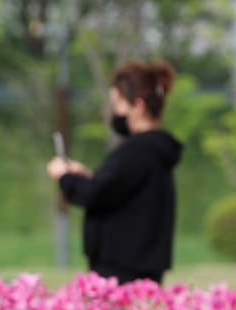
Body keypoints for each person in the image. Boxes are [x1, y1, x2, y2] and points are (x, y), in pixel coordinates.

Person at [46, 60, 184, 285]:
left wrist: (65, 176)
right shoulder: (156, 150)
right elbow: (119, 189)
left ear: (138, 106)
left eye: (118, 104)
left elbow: (96, 194)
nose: (114, 113)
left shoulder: (138, 149)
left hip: (121, 266)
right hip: (144, 262)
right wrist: (87, 175)